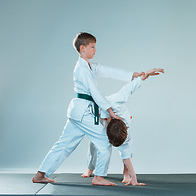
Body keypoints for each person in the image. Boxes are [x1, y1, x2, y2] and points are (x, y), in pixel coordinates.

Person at [32, 32, 143, 186]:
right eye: (92, 47)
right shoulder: (82, 69)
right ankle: (98, 177)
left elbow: (108, 71)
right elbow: (95, 92)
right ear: (82, 48)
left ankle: (40, 174)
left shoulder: (89, 66)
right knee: (104, 142)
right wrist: (110, 111)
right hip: (84, 112)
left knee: (63, 145)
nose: (95, 49)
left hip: (78, 112)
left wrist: (132, 75)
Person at [81, 68, 164, 186]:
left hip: (118, 123)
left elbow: (130, 88)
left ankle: (126, 174)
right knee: (94, 144)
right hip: (100, 116)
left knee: (127, 151)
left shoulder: (124, 125)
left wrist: (134, 179)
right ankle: (90, 167)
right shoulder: (101, 108)